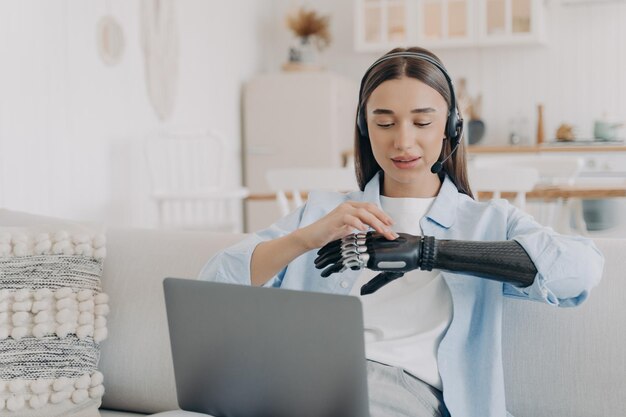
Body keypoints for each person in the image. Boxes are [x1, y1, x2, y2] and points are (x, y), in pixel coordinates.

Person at [196, 47, 604, 417]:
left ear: (451, 127)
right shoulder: (323, 214)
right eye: (385, 123)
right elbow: (212, 287)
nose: (402, 141)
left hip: (400, 391)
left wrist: (430, 252)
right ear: (364, 128)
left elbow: (580, 271)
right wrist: (307, 237)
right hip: (297, 385)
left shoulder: (488, 222)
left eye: (422, 122)